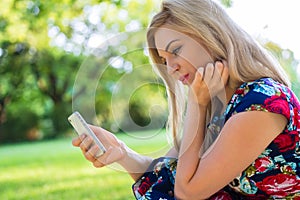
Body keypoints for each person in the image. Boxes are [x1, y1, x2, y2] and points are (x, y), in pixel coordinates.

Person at [72, 0, 300, 199]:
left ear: (211, 34)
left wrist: (196, 104)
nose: (171, 68)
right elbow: (169, 173)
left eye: (176, 50)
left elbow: (188, 192)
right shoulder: (219, 105)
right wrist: (122, 153)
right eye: (164, 59)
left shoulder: (263, 103)